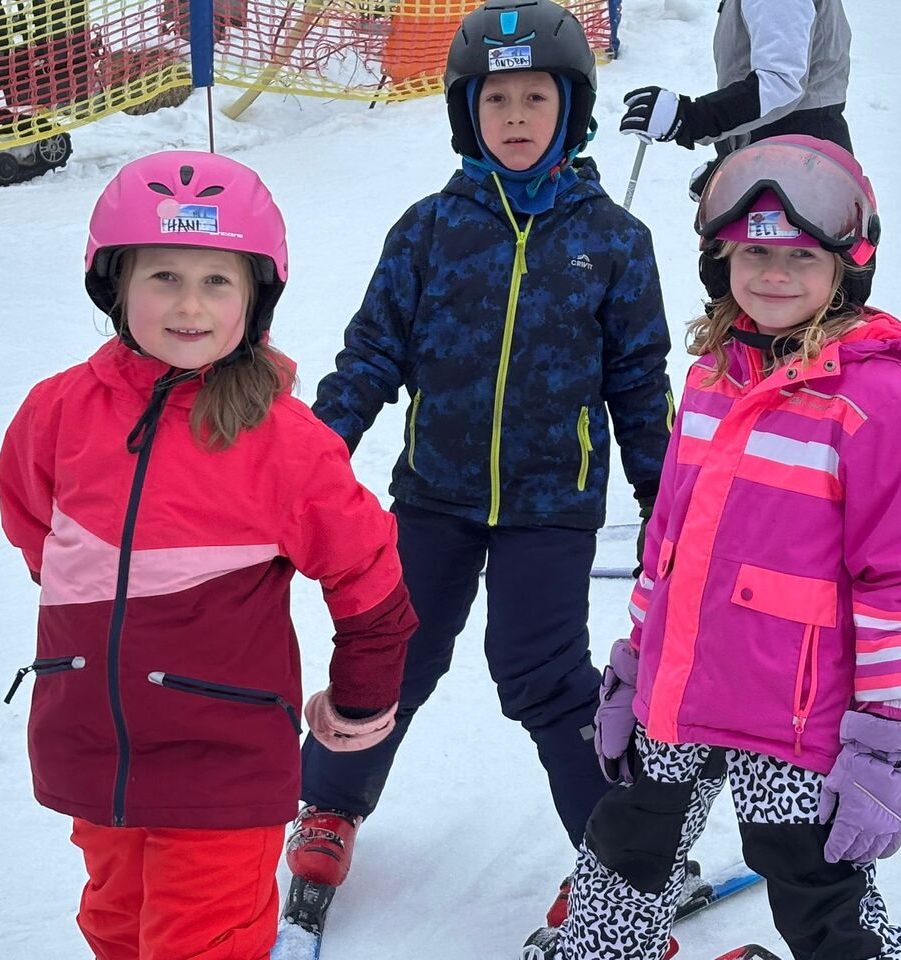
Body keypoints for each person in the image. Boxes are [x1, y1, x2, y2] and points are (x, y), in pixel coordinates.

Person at [285, 0, 673, 931]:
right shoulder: (428, 231)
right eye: (496, 99)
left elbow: (639, 385)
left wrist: (667, 504)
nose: (515, 116)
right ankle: (329, 805)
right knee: (395, 652)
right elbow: (370, 357)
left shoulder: (614, 242)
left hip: (551, 506)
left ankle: (617, 858)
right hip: (436, 495)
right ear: (468, 112)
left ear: (571, 109)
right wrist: (304, 462)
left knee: (545, 673)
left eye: (535, 97)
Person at [526, 135, 901, 960]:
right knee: (628, 840)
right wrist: (636, 659)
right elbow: (668, 542)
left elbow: (900, 587)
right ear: (720, 259)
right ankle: (600, 949)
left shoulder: (882, 406)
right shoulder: (709, 380)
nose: (775, 275)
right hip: (681, 684)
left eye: (802, 256)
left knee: (809, 873)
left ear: (846, 268)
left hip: (797, 711)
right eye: (756, 252)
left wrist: (880, 733)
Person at [0, 150, 418, 960]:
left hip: (222, 763)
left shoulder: (285, 442)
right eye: (164, 276)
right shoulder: (56, 413)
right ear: (115, 284)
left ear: (254, 298)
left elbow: (368, 574)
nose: (189, 305)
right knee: (115, 928)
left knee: (199, 945)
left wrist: (361, 702)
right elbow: (34, 532)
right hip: (95, 752)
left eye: (216, 281)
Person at [618, 0, 855, 197]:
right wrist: (731, 161)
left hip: (800, 167)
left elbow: (780, 84)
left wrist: (690, 118)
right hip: (781, 157)